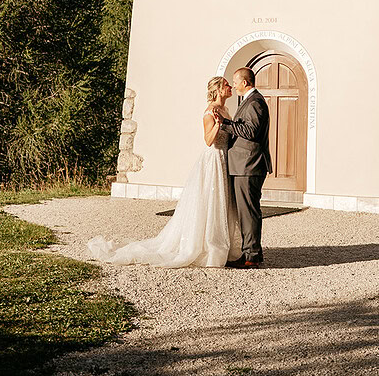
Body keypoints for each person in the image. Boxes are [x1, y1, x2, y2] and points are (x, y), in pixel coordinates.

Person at [87, 76, 240, 268]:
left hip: (224, 158)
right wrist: (218, 124)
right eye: (226, 85)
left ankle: (218, 243)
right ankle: (205, 246)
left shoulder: (225, 109)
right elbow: (208, 141)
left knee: (220, 201)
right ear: (217, 89)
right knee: (210, 201)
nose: (230, 87)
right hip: (214, 159)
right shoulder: (210, 111)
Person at [215, 67, 272, 268]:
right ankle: (248, 251)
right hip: (242, 165)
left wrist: (225, 124)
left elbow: (251, 131)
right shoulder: (248, 101)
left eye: (235, 82)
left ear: (245, 83)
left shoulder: (255, 102)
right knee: (244, 211)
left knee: (249, 212)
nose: (234, 85)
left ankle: (252, 256)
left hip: (249, 165)